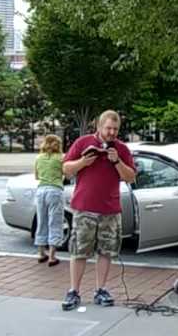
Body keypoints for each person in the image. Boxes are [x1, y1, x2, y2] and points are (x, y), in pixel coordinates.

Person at [61, 110, 136, 311]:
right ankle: (73, 291)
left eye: (115, 129)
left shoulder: (121, 149)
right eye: (108, 128)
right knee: (79, 251)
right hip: (84, 207)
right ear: (99, 127)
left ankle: (100, 289)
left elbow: (130, 177)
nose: (111, 132)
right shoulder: (83, 143)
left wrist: (117, 161)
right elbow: (66, 169)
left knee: (106, 251)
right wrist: (83, 162)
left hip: (110, 209)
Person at [34, 134, 64, 267]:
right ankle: (52, 256)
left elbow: (36, 176)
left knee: (42, 221)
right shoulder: (60, 158)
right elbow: (66, 173)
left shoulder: (38, 158)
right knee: (55, 222)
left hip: (41, 191)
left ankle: (41, 253)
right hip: (55, 190)